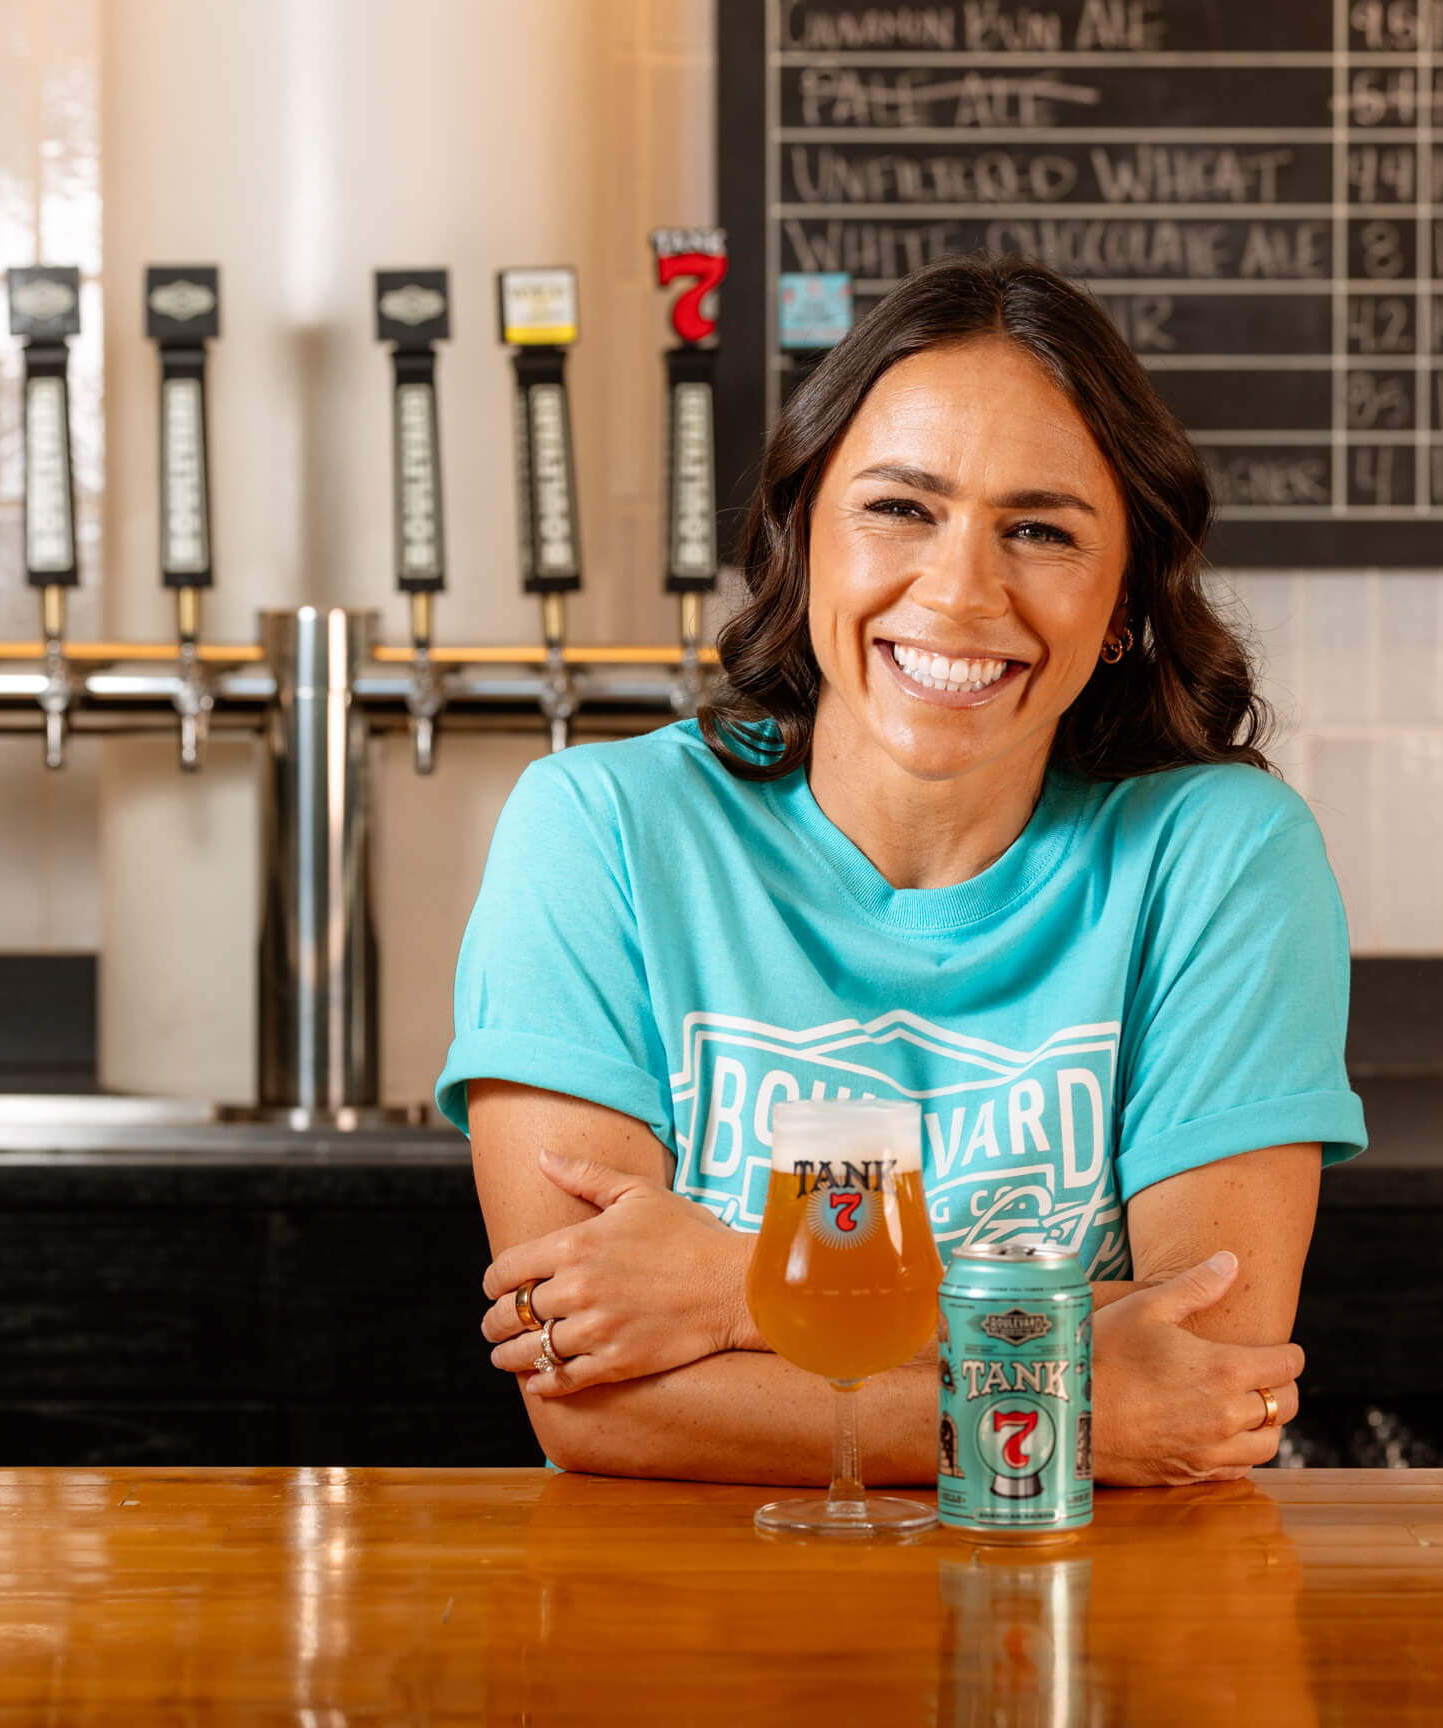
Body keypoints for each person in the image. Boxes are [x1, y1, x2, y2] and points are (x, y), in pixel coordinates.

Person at [436, 254, 1365, 1486]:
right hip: (686, 1643)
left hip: (1083, 1637)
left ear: (1128, 599)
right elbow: (595, 1407)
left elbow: (1202, 1375)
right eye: (899, 509)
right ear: (800, 536)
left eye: (1039, 530)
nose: (960, 589)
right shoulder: (599, 832)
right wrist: (1068, 1408)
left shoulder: (1220, 860)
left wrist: (739, 1286)